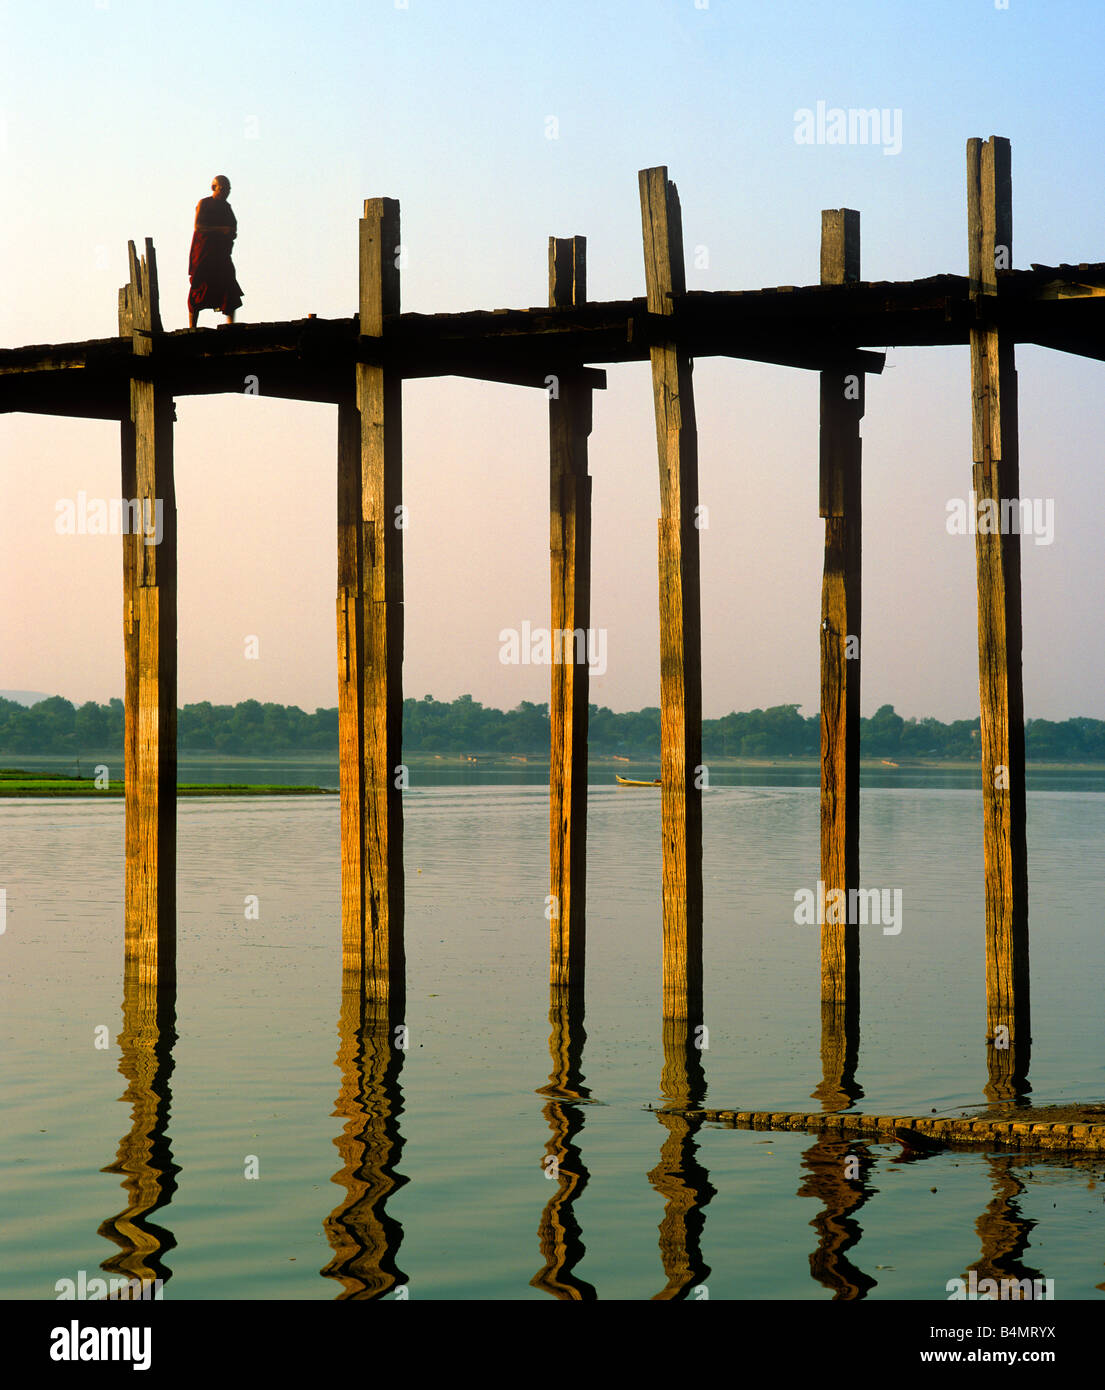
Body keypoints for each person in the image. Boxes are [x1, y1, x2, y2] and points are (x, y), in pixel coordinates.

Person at [187, 175, 243, 327]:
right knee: (200, 286)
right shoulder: (204, 204)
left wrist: (231, 232)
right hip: (205, 254)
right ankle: (193, 326)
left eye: (228, 190)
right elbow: (198, 227)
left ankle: (231, 324)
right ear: (214, 188)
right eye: (223, 189)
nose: (226, 192)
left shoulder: (226, 207)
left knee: (229, 283)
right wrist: (221, 230)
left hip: (220, 255)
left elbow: (233, 226)